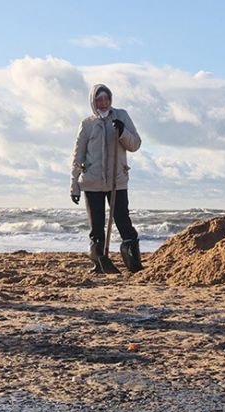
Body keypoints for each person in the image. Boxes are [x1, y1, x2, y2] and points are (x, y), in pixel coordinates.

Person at [70, 84, 143, 273]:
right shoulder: (86, 124)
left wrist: (122, 132)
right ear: (93, 102)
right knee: (96, 226)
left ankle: (134, 263)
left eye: (106, 99)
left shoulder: (122, 116)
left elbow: (135, 144)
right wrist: (74, 186)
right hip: (92, 182)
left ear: (110, 100)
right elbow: (78, 156)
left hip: (116, 181)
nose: (103, 103)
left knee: (122, 220)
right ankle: (99, 263)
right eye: (98, 100)